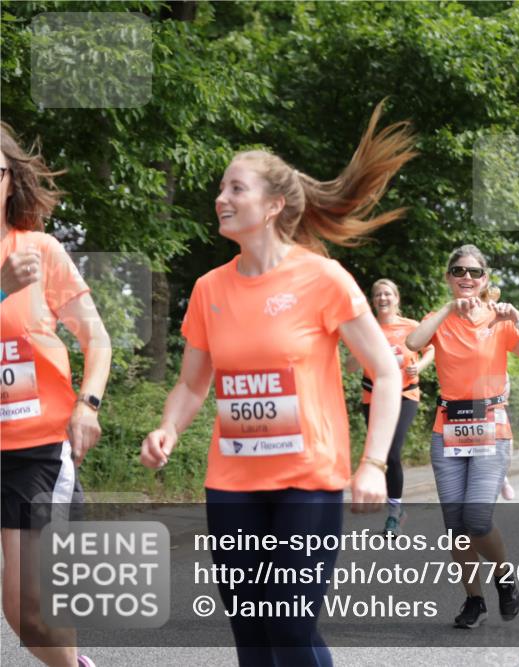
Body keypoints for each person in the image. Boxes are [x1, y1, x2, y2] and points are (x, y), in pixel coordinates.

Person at [140, 103, 416, 666]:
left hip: (306, 480)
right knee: (252, 634)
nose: (221, 198)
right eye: (221, 187)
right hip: (233, 482)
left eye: (235, 188)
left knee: (289, 626)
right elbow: (193, 385)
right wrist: (167, 427)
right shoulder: (209, 289)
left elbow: (385, 372)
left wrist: (372, 464)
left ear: (272, 206)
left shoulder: (321, 278)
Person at [1, 122, 111, 667]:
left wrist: (87, 404)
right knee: (20, 616)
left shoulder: (39, 250)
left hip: (38, 449)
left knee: (31, 608)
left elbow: (96, 337)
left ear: (11, 180)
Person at [406, 245, 519, 629]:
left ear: (485, 278)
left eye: (473, 271)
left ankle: (504, 577)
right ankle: (474, 601)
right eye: (457, 271)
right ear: (449, 278)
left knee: (477, 518)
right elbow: (413, 343)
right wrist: (449, 309)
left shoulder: (500, 320)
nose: (466, 277)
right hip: (448, 429)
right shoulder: (440, 317)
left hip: (491, 429)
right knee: (455, 527)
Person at [345, 278, 434, 537]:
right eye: (378, 295)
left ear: (396, 298)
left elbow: (431, 350)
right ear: (373, 301)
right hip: (373, 396)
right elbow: (350, 366)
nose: (382, 299)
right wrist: (365, 350)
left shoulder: (411, 326)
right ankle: (392, 505)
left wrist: (420, 366)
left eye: (387, 294)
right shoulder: (367, 327)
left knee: (392, 451)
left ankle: (395, 513)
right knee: (381, 454)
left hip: (406, 394)